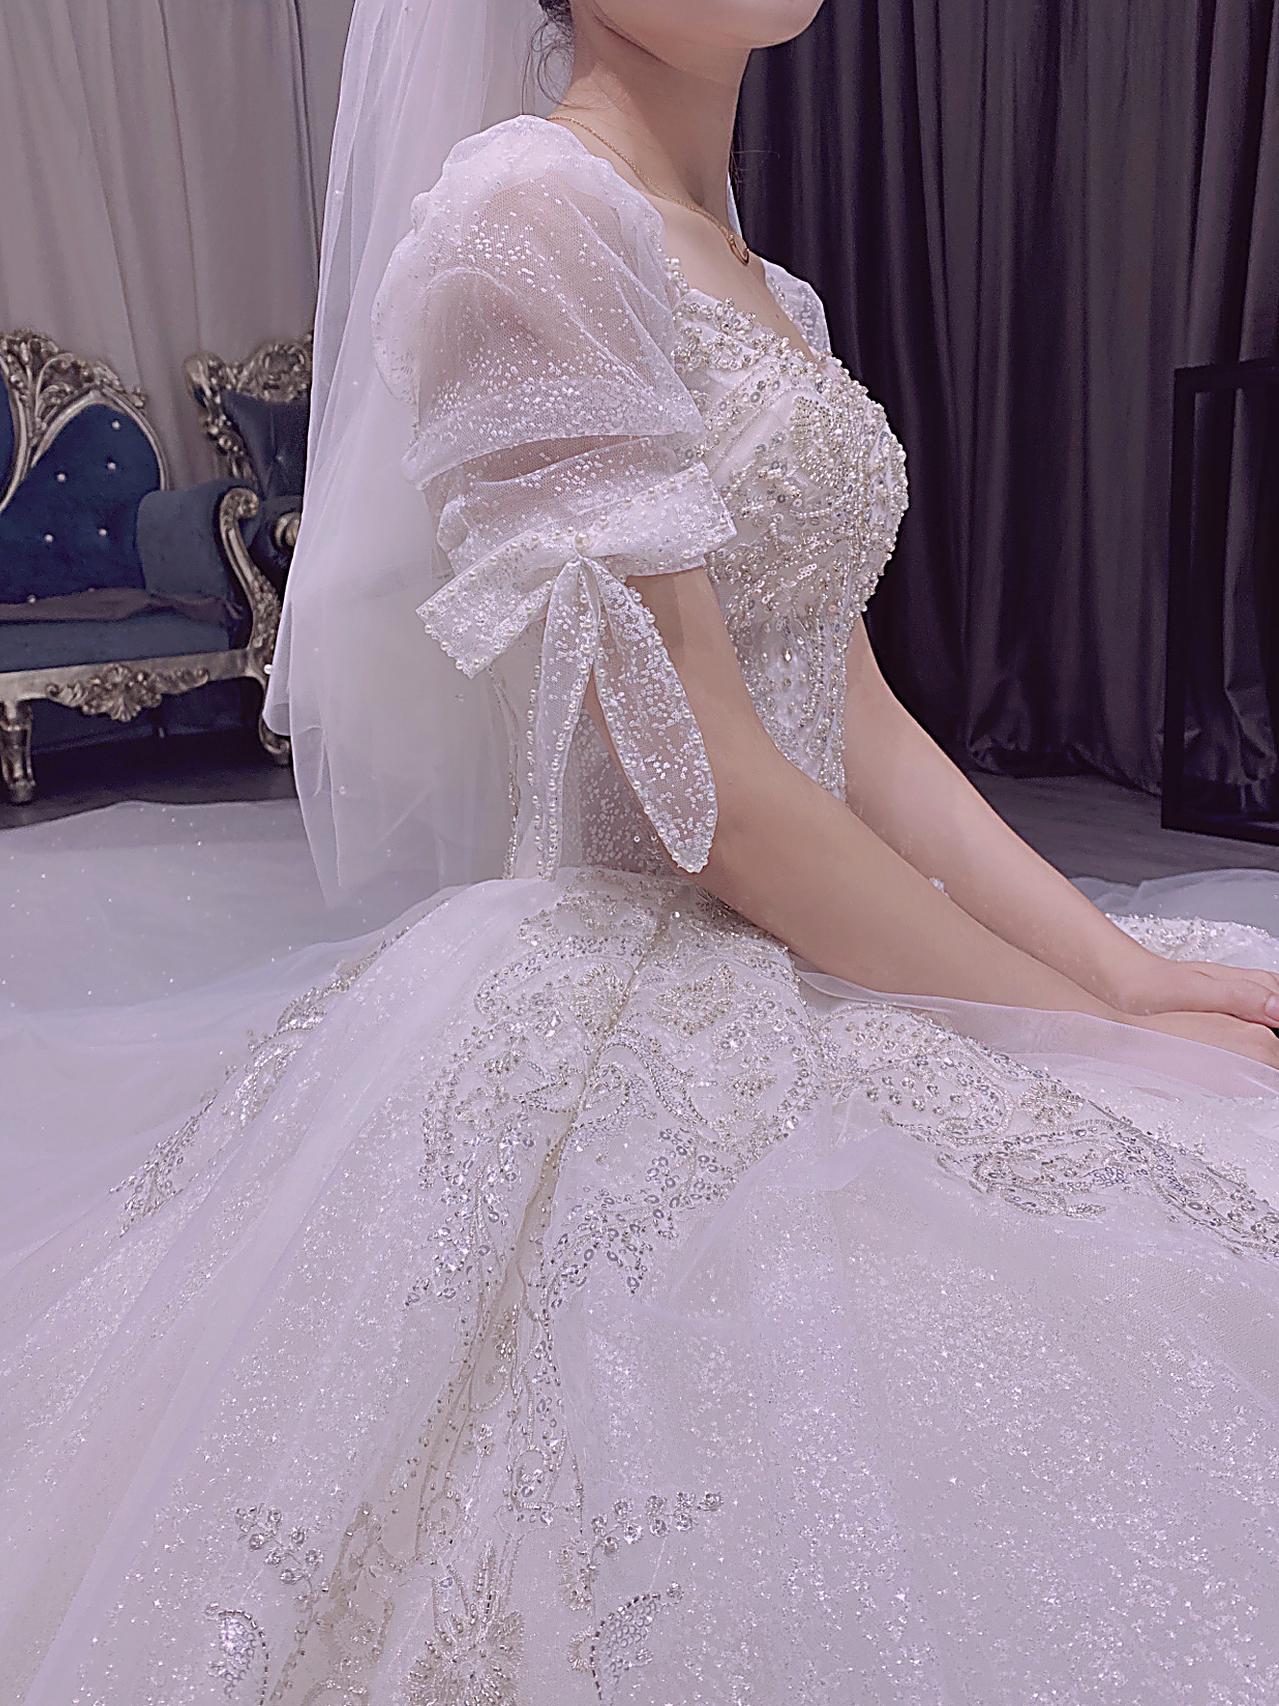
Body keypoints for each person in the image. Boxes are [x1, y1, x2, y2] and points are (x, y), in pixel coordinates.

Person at [3, 0, 1278, 1700]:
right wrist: (1089, 1029)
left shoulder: (769, 286)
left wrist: (1122, 972)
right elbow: (719, 802)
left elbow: (856, 712)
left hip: (820, 926)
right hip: (656, 964)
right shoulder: (527, 213)